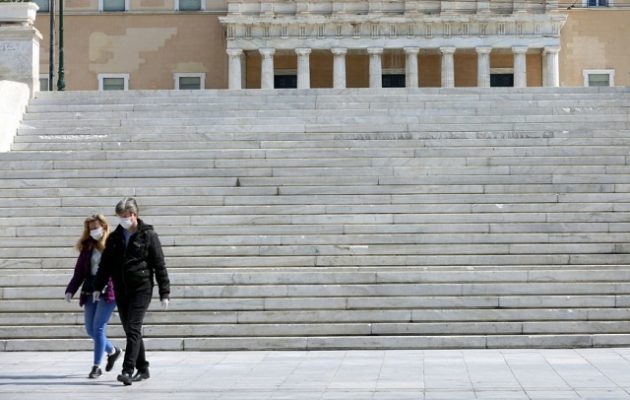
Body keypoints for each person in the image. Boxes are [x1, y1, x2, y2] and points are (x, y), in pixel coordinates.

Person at [93, 198, 170, 386]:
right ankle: (143, 368)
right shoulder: (115, 238)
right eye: (120, 216)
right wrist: (97, 286)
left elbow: (159, 264)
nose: (123, 220)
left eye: (125, 216)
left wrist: (164, 292)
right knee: (130, 329)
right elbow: (105, 265)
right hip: (121, 289)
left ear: (134, 215)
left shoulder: (148, 235)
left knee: (133, 327)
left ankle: (127, 370)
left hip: (141, 288)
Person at [64, 214, 122, 379]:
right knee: (90, 329)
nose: (93, 231)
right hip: (90, 289)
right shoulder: (88, 246)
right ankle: (112, 351)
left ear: (104, 227)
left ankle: (96, 366)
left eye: (96, 227)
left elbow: (117, 269)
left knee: (98, 328)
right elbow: (79, 271)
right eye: (90, 228)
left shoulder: (113, 243)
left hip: (108, 290)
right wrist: (70, 290)